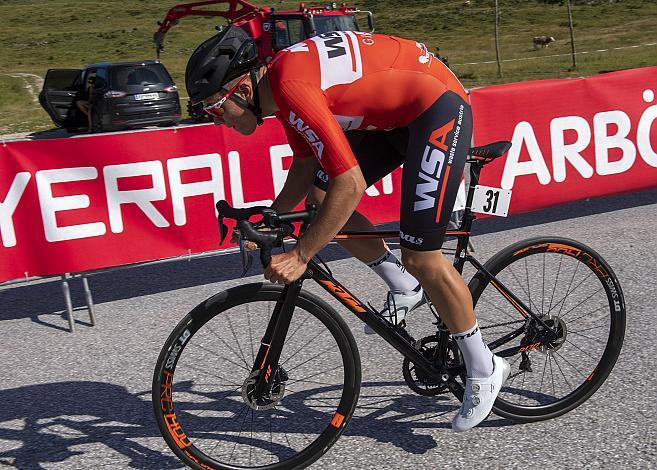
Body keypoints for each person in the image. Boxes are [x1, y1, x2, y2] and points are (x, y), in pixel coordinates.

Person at [185, 26, 510, 432]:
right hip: (393, 118)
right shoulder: (280, 90)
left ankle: (485, 367)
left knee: (422, 254)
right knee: (321, 204)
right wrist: (270, 219)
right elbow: (306, 167)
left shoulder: (290, 87)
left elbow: (350, 184)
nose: (218, 122)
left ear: (241, 93)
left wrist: (302, 255)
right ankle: (402, 284)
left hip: (436, 108)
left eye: (216, 110)